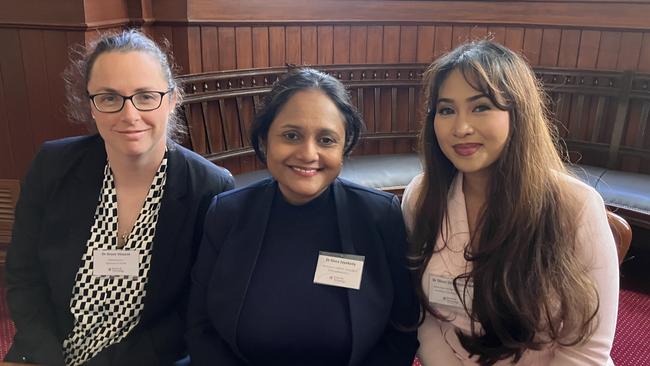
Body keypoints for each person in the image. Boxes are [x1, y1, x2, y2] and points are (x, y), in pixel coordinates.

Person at [5, 29, 234, 365]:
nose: (129, 115)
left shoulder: (209, 188)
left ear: (172, 100)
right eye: (110, 98)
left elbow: (194, 310)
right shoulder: (52, 166)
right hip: (47, 355)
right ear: (90, 105)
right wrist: (47, 358)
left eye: (145, 96)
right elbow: (24, 275)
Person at [402, 40, 619, 365]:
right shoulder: (421, 196)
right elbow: (423, 315)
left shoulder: (577, 206)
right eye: (446, 110)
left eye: (481, 107)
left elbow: (586, 349)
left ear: (518, 113)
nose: (460, 128)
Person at [186, 68, 419, 365]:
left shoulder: (379, 215)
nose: (309, 154)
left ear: (344, 146)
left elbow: (401, 328)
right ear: (265, 138)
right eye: (291, 135)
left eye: (326, 140)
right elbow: (201, 327)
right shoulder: (226, 214)